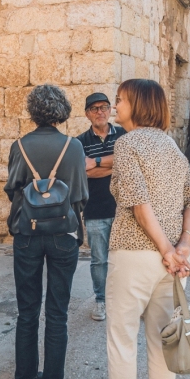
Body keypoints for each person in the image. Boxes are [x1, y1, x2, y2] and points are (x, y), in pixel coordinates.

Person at [90, 79, 190, 379]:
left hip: (134, 255)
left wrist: (166, 248)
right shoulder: (170, 146)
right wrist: (182, 246)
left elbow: (139, 204)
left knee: (122, 339)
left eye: (120, 100)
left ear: (137, 105)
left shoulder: (126, 143)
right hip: (170, 265)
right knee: (162, 342)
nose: (114, 106)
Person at [5, 84, 88, 379]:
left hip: (27, 232)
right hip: (63, 234)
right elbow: (80, 195)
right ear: (61, 111)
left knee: (27, 310)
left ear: (33, 110)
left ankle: (24, 378)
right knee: (58, 310)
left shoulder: (20, 146)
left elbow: (13, 188)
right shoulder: (74, 146)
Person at [76, 92, 126, 322]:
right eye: (94, 108)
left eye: (104, 107)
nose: (100, 112)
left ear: (110, 110)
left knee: (126, 258)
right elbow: (81, 172)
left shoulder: (124, 136)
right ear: (87, 114)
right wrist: (114, 163)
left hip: (125, 209)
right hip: (95, 209)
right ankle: (101, 301)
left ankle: (126, 300)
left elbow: (126, 163)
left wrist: (96, 162)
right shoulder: (79, 143)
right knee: (99, 259)